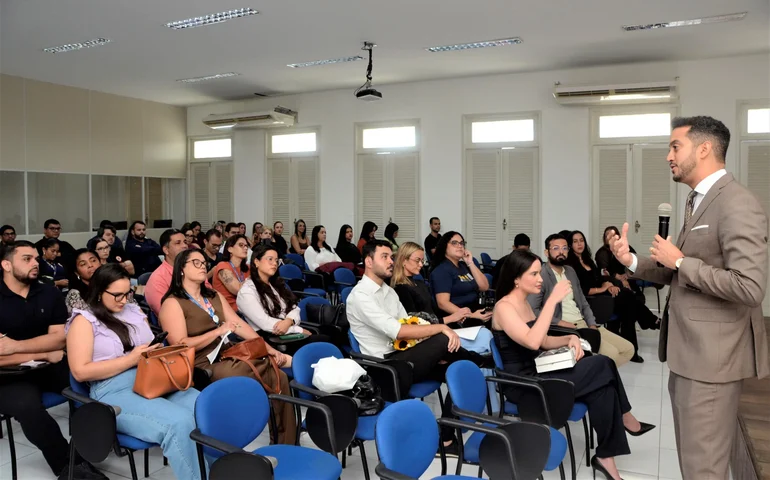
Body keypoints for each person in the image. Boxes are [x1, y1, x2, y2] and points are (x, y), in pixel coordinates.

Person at [609, 116, 769, 480]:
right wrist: (630, 260)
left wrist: (681, 261)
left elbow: (749, 286)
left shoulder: (736, 203)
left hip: (712, 362)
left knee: (703, 469)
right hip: (689, 355)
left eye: (675, 146)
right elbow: (674, 272)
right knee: (695, 463)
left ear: (704, 148)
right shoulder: (700, 201)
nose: (669, 155)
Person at [492, 249, 654, 480]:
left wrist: (570, 338)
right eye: (534, 274)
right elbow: (532, 341)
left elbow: (544, 341)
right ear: (516, 278)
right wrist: (552, 301)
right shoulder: (504, 307)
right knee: (603, 363)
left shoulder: (524, 303)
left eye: (539, 273)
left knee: (603, 388)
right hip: (525, 385)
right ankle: (625, 416)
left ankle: (606, 457)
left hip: (541, 371)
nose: (540, 279)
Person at [346, 240, 486, 454]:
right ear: (368, 261)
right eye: (384, 256)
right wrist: (441, 329)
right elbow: (398, 331)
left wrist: (431, 352)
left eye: (391, 257)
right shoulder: (360, 296)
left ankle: (446, 440)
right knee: (442, 340)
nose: (391, 261)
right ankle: (480, 359)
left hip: (405, 355)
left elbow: (411, 326)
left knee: (460, 370)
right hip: (384, 367)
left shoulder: (388, 292)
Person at [65, 264, 202, 480]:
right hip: (113, 389)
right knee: (178, 423)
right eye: (117, 295)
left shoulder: (133, 310)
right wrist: (131, 359)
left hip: (152, 378)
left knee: (204, 410)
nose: (123, 300)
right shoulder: (84, 321)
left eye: (127, 293)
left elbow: (146, 347)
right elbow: (80, 372)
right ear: (99, 292)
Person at [158, 249, 296, 444]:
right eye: (196, 263)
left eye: (204, 263)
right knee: (248, 368)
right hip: (199, 363)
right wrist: (217, 332)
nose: (203, 266)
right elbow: (180, 344)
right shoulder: (173, 303)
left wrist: (269, 349)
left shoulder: (213, 296)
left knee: (278, 376)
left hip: (227, 353)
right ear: (181, 269)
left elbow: (240, 326)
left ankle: (286, 442)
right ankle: (275, 364)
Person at [0, 241, 107, 480]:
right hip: (7, 377)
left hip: (48, 367)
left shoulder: (48, 292)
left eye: (36, 259)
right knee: (28, 408)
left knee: (92, 387)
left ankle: (88, 448)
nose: (35, 263)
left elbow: (58, 340)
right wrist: (43, 352)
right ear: (6, 265)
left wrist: (13, 347)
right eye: (27, 259)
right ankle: (69, 467)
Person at [529, 234, 634, 367]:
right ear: (546, 252)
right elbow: (533, 310)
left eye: (564, 248)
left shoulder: (570, 271)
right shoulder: (541, 275)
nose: (561, 252)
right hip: (565, 329)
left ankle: (597, 372)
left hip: (584, 323)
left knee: (628, 350)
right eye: (556, 248)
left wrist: (592, 325)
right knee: (612, 355)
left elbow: (583, 302)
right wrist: (560, 322)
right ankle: (597, 372)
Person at [567, 230, 657, 363]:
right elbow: (581, 290)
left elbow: (599, 278)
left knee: (629, 308)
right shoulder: (570, 266)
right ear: (570, 245)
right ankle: (650, 321)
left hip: (602, 294)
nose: (579, 244)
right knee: (629, 299)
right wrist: (602, 288)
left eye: (581, 240)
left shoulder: (588, 260)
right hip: (590, 301)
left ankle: (633, 347)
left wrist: (608, 285)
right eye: (575, 241)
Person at [392, 242, 494, 354]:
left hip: (437, 330)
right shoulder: (401, 289)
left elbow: (434, 312)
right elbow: (414, 323)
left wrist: (462, 315)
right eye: (417, 260)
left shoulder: (419, 283)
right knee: (484, 337)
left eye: (422, 261)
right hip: (426, 336)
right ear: (404, 260)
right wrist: (451, 318)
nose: (421, 265)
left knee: (484, 335)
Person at [237, 245, 316, 354]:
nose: (274, 263)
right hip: (270, 340)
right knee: (324, 340)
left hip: (288, 333)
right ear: (256, 262)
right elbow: (266, 324)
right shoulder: (247, 292)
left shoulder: (276, 284)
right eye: (270, 259)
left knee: (330, 333)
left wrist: (289, 321)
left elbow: (295, 308)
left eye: (276, 260)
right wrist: (298, 329)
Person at [429, 231, 492, 326]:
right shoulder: (442, 270)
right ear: (444, 246)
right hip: (459, 318)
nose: (460, 246)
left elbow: (484, 287)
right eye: (454, 243)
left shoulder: (463, 266)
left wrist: (470, 262)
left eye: (462, 243)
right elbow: (443, 303)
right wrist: (470, 315)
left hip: (475, 310)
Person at [144, 229, 188, 316]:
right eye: (178, 243)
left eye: (185, 242)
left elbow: (209, 295)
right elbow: (167, 315)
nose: (185, 246)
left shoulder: (193, 269)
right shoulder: (158, 279)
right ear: (166, 250)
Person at [595, 226, 643, 295]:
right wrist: (621, 279)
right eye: (607, 236)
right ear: (604, 238)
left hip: (628, 276)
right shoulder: (601, 253)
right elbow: (604, 272)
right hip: (612, 280)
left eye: (613, 235)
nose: (611, 238)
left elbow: (635, 261)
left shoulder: (626, 247)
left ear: (618, 236)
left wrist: (627, 274)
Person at [212, 234, 250, 312]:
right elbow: (238, 289)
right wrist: (255, 279)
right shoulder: (222, 266)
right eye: (241, 245)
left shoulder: (248, 267)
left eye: (246, 246)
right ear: (230, 249)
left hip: (246, 309)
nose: (246, 248)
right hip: (229, 311)